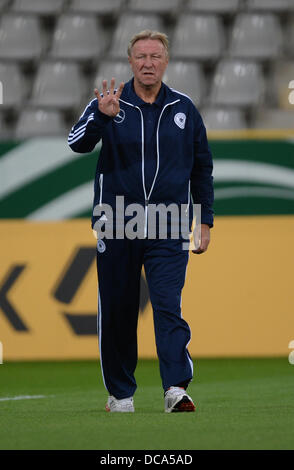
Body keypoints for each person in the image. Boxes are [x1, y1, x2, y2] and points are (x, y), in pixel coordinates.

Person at [68, 30, 214, 413]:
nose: (148, 63)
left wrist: (205, 220)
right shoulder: (107, 102)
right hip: (117, 223)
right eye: (141, 57)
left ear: (166, 62)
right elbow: (77, 142)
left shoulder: (184, 108)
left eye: (155, 56)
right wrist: (102, 117)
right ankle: (121, 394)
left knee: (168, 306)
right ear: (130, 62)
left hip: (169, 224)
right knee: (118, 309)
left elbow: (202, 169)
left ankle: (176, 389)